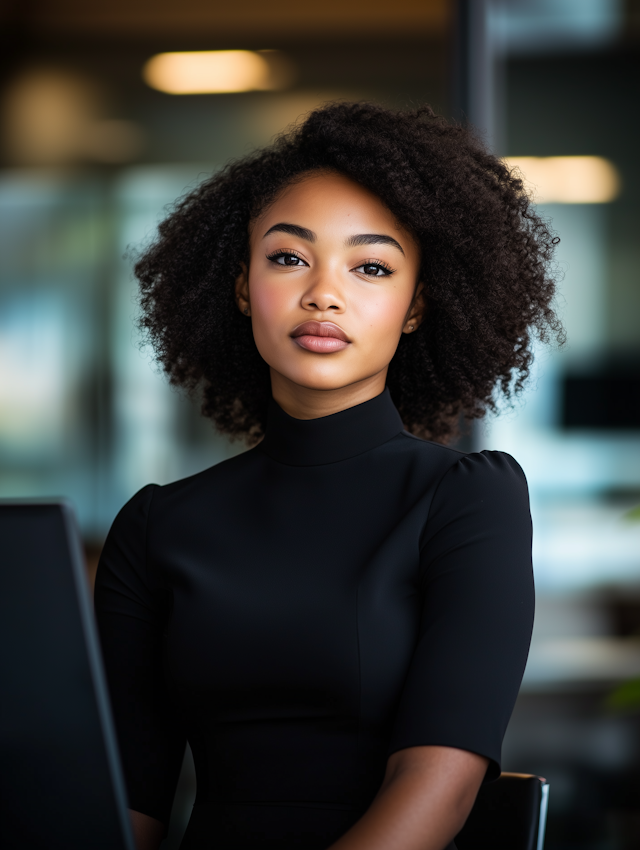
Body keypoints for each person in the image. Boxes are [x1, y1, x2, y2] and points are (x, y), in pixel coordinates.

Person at [95, 102, 562, 850]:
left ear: (417, 308)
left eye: (371, 266)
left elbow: (438, 790)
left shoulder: (468, 499)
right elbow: (125, 804)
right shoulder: (156, 527)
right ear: (243, 287)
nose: (323, 294)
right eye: (288, 257)